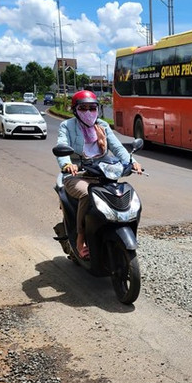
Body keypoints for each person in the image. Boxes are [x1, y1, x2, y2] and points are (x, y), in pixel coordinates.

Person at [55, 90, 142, 259]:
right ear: (75, 110)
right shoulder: (67, 126)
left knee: (125, 194)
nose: (88, 112)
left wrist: (132, 162)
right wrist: (67, 164)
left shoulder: (102, 126)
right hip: (77, 175)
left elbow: (117, 148)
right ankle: (80, 239)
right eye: (83, 108)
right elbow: (62, 145)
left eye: (92, 108)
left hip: (102, 174)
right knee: (87, 194)